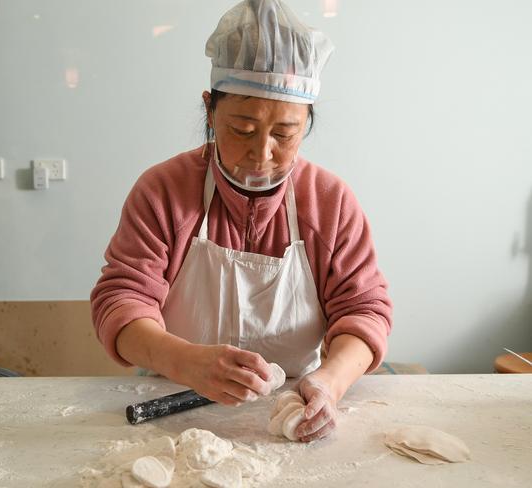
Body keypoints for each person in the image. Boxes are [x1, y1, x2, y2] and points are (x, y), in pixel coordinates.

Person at [91, 0, 392, 443]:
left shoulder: (329, 202)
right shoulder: (163, 191)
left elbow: (365, 311)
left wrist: (330, 382)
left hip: (290, 416)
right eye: (243, 130)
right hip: (170, 412)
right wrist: (184, 361)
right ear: (210, 110)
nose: (263, 153)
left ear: (307, 121)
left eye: (285, 134)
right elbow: (120, 300)